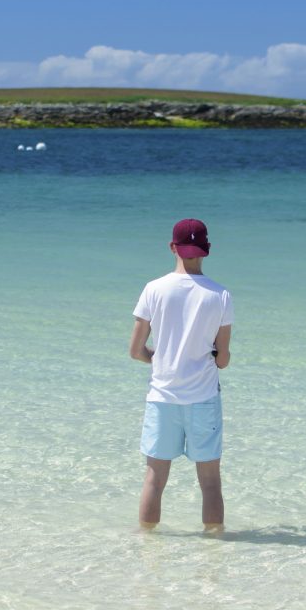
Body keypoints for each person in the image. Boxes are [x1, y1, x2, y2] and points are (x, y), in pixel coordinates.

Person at [129, 218, 234, 532]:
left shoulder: (153, 289)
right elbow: (223, 359)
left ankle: (148, 549)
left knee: (154, 479)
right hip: (202, 399)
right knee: (211, 483)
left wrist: (162, 363)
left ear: (172, 247)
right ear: (207, 250)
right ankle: (214, 553)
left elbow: (135, 350)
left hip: (162, 398)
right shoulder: (220, 295)